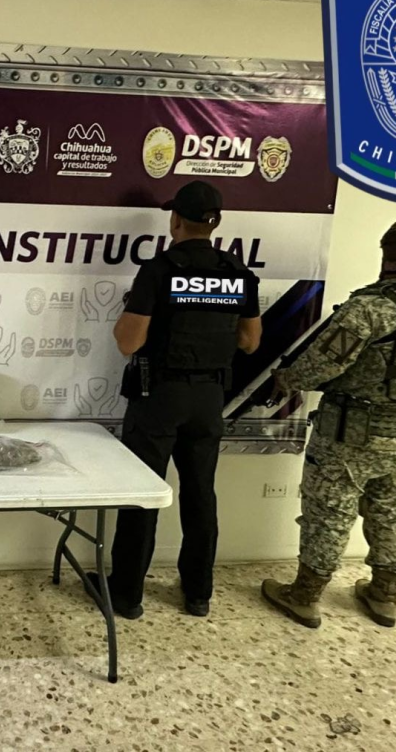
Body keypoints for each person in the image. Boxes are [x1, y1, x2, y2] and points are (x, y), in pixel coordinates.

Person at [262, 220, 396, 629]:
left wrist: (285, 379)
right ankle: (384, 595)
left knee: (329, 514)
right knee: (391, 511)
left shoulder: (370, 309)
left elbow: (321, 365)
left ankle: (304, 596)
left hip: (351, 437)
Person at [91, 180, 262, 619]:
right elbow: (250, 342)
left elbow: (128, 342)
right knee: (201, 493)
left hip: (159, 397)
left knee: (143, 494)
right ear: (215, 223)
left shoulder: (159, 270)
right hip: (209, 398)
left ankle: (127, 594)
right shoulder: (238, 273)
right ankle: (198, 593)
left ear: (176, 220)